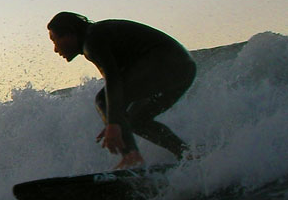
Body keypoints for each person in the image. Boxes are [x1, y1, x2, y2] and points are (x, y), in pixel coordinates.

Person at [47, 12, 196, 169]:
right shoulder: (98, 35)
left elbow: (113, 80)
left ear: (70, 34)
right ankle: (188, 154)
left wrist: (112, 123)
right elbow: (124, 85)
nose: (55, 49)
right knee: (136, 121)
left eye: (55, 40)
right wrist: (115, 120)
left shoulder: (92, 42)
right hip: (185, 69)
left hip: (166, 65)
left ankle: (131, 157)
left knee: (102, 100)